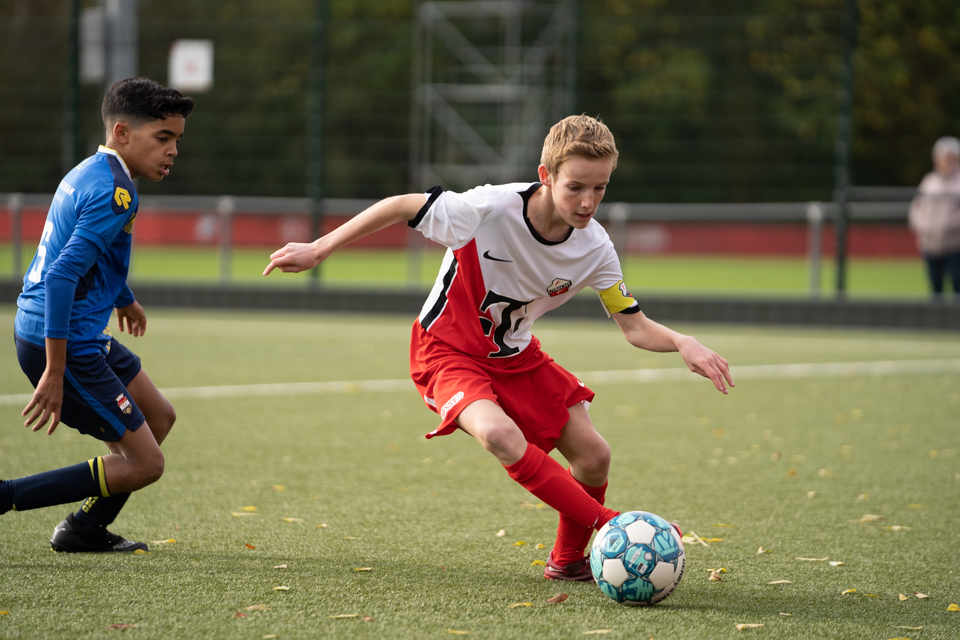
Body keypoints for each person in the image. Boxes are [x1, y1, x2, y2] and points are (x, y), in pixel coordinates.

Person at [264, 115, 734, 580]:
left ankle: (568, 560)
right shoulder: (486, 208)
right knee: (498, 435)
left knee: (594, 456)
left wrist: (680, 342)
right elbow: (399, 204)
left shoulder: (596, 248)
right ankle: (615, 529)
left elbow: (634, 327)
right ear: (545, 176)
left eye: (601, 188)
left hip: (515, 356)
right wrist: (320, 248)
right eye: (576, 187)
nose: (589, 201)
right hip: (445, 350)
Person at [2, 78, 194, 552]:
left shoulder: (92, 170)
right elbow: (63, 274)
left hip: (69, 329)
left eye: (176, 141)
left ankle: (84, 528)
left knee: (159, 415)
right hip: (64, 338)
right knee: (146, 464)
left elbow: (88, 256)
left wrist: (122, 296)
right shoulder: (116, 192)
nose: (172, 152)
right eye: (162, 138)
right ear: (123, 133)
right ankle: (5, 498)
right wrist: (56, 367)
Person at [909, 136, 960, 297]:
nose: (945, 161)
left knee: (957, 285)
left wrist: (950, 224)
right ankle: (938, 323)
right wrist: (922, 225)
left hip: (955, 244)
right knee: (935, 288)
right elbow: (916, 207)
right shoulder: (929, 181)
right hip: (930, 244)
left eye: (949, 157)